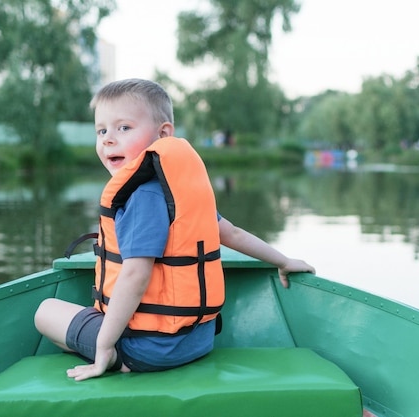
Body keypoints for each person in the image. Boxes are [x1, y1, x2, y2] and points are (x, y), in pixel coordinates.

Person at [34, 79, 315, 381]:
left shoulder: (141, 197)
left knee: (46, 312)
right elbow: (231, 233)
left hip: (150, 350)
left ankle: (117, 358)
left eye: (124, 128)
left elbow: (135, 275)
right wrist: (283, 261)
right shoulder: (177, 190)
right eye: (101, 131)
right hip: (197, 341)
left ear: (164, 134)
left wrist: (103, 346)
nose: (109, 140)